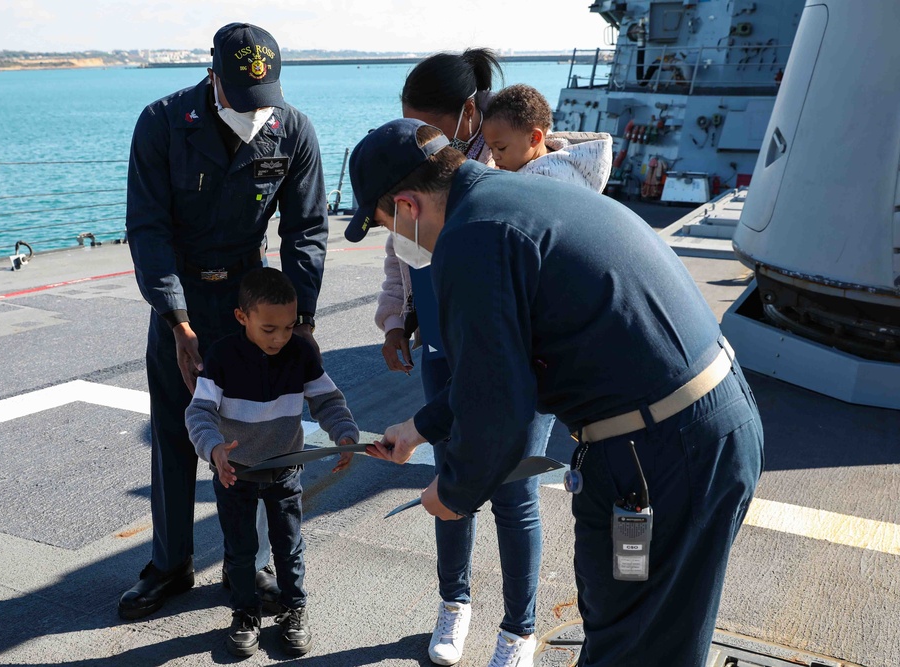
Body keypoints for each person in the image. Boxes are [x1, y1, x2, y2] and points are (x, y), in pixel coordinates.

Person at [345, 119, 764, 667]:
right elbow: (502, 371)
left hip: (659, 456)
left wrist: (453, 493)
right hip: (699, 426)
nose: (394, 241)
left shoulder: (470, 240)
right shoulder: (513, 197)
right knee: (645, 622)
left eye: (383, 225)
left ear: (406, 206)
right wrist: (419, 429)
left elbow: (502, 410)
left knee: (634, 642)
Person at [121, 22, 328, 620]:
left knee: (261, 432)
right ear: (213, 76)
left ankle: (257, 561)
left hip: (252, 303)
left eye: (265, 104)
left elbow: (306, 232)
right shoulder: (162, 123)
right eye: (243, 102)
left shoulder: (291, 128)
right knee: (174, 434)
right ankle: (170, 564)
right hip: (184, 300)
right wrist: (177, 321)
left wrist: (302, 322)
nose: (255, 116)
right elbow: (148, 227)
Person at [372, 50, 556, 667]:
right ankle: (455, 603)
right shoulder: (415, 183)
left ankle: (518, 627)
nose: (421, 138)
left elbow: (507, 362)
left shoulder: (503, 176)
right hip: (444, 349)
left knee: (513, 491)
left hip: (516, 359)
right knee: (449, 480)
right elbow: (401, 252)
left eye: (429, 125)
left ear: (468, 115)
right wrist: (396, 319)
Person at [185, 267, 358, 657]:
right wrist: (213, 449)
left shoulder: (301, 351)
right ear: (242, 317)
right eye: (269, 329)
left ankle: (295, 610)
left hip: (284, 470)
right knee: (241, 549)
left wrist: (344, 433)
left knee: (289, 545)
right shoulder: (222, 357)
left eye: (289, 326)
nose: (280, 337)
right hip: (235, 473)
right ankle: (245, 613)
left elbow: (327, 400)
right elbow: (199, 413)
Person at [482, 84, 612, 192]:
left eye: (501, 148)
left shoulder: (541, 183)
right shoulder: (561, 161)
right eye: (491, 149)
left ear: (534, 138)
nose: (495, 156)